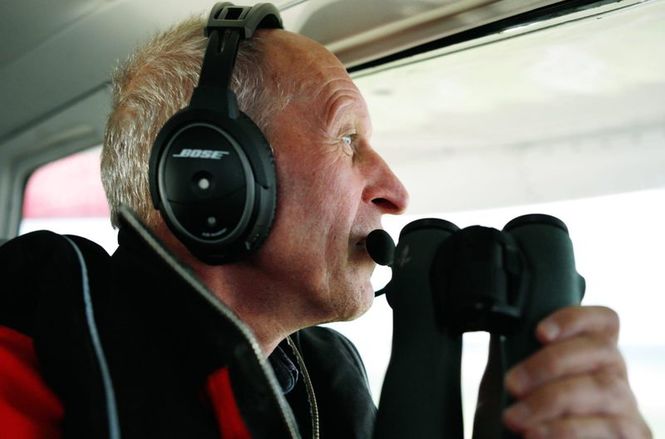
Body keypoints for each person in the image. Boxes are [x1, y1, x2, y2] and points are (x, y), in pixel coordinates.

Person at [0, 8, 652, 439]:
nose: (395, 191)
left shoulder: (319, 386)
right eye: (346, 139)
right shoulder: (22, 366)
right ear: (213, 175)